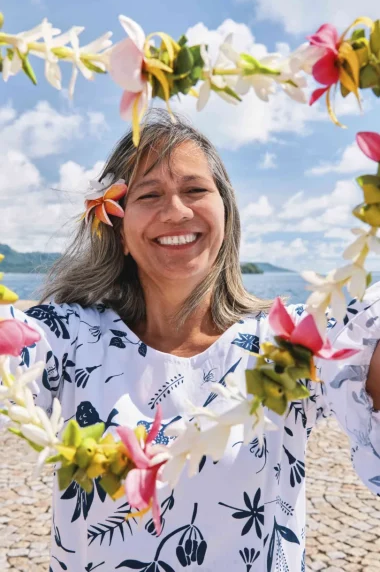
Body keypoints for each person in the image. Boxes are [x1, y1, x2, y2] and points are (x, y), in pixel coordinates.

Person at [3, 110, 380, 572]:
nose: (176, 211)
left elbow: (365, 362)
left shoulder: (288, 340)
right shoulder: (68, 337)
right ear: (118, 230)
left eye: (195, 190)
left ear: (226, 212)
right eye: (149, 194)